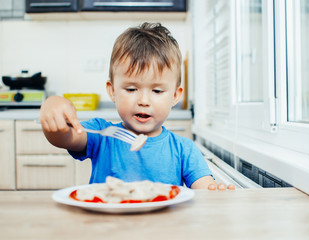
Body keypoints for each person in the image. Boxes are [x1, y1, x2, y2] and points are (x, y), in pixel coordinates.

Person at [40, 22, 233, 190]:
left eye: (157, 91)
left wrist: (216, 193)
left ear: (175, 96)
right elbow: (64, 138)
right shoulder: (102, 134)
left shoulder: (184, 149)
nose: (143, 100)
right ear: (112, 91)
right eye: (131, 89)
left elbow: (206, 189)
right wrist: (54, 107)